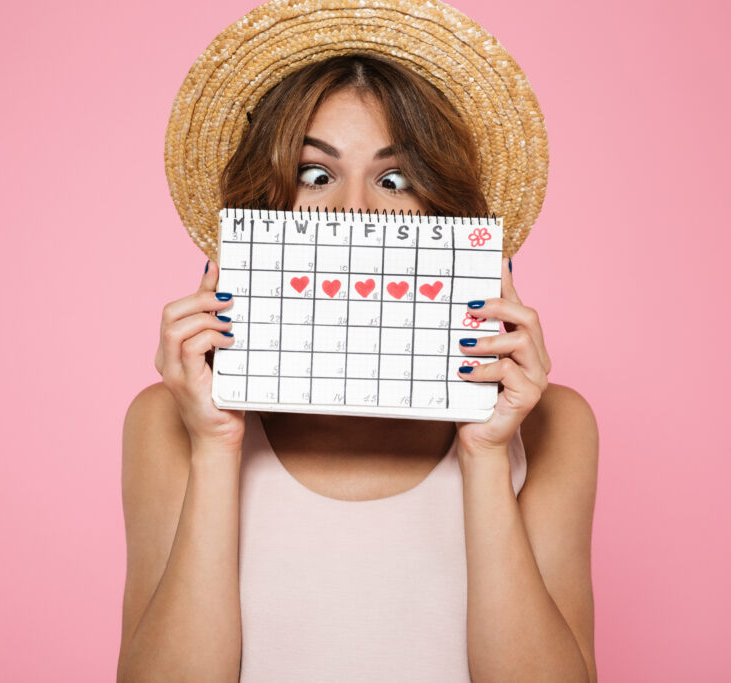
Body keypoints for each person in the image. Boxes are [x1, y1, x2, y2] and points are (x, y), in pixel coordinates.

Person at [118, 3, 598, 682]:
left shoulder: (553, 427)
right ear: (267, 203)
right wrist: (216, 442)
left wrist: (486, 451)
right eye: (316, 174)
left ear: (445, 211)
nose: (355, 210)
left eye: (393, 178)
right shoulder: (165, 422)